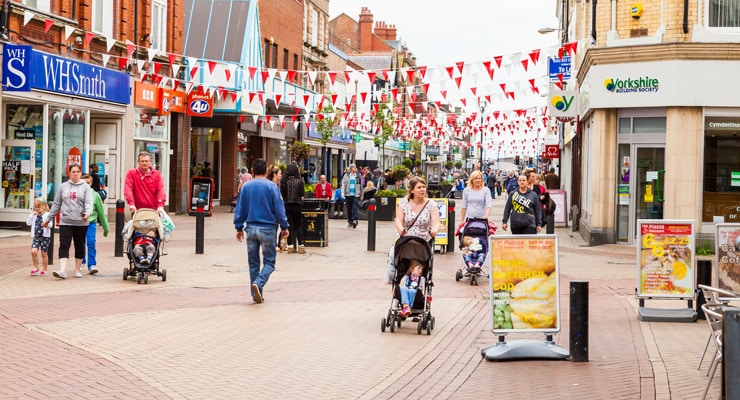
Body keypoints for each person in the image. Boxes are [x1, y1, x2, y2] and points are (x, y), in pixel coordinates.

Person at [234, 158, 290, 304]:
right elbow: (279, 209)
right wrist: (284, 227)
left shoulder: (246, 187)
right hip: (268, 228)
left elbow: (240, 208)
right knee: (269, 262)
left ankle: (255, 294)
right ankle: (258, 284)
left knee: (253, 263)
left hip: (251, 228)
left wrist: (238, 227)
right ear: (266, 171)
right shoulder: (272, 187)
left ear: (252, 171)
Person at [43, 163, 93, 279]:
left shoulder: (86, 187)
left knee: (79, 245)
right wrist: (48, 219)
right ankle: (62, 270)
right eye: (73, 172)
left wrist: (87, 213)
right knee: (64, 244)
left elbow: (89, 202)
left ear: (80, 173)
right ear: (69, 173)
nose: (75, 174)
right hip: (66, 221)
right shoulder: (63, 187)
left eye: (77, 172)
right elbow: (56, 204)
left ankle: (77, 270)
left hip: (81, 221)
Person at [395, 176, 441, 243]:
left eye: (424, 187)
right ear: (412, 190)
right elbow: (398, 220)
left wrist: (434, 231)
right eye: (419, 187)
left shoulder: (431, 204)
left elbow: (436, 222)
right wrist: (400, 229)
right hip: (407, 240)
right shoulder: (404, 203)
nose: (422, 189)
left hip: (425, 241)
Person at [81, 174, 110, 274]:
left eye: (88, 183)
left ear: (91, 183)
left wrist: (106, 229)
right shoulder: (77, 194)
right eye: (84, 183)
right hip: (79, 224)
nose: (86, 185)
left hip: (91, 223)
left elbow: (101, 213)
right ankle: (81, 260)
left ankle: (92, 265)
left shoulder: (96, 195)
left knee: (91, 243)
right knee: (80, 243)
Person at [280, 163, 305, 254]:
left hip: (287, 206)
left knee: (289, 226)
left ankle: (290, 246)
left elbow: (282, 195)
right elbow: (302, 196)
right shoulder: (300, 181)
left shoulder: (284, 182)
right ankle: (301, 245)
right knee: (298, 226)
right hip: (297, 205)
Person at [27, 197, 52, 276]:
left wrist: (46, 224)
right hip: (36, 236)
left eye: (39, 206)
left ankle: (44, 269)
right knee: (33, 251)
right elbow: (28, 223)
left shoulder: (48, 215)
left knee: (44, 254)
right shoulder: (34, 215)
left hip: (45, 237)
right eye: (35, 206)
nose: (36, 208)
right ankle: (36, 267)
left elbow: (50, 225)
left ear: (44, 206)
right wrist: (31, 215)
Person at [341, 163, 362, 229]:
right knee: (349, 209)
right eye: (354, 167)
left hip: (356, 195)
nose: (355, 168)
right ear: (351, 169)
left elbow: (361, 185)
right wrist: (343, 193)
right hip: (348, 194)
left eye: (355, 167)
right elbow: (343, 185)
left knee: (354, 207)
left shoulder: (358, 176)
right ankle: (350, 221)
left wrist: (362, 194)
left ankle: (355, 220)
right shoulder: (346, 176)